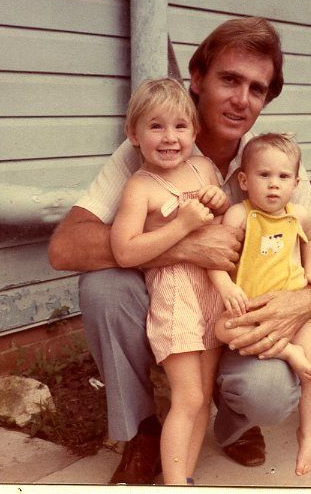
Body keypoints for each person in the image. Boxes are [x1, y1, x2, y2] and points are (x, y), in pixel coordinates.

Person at [48, 17, 311, 484]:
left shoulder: (274, 164)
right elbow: (66, 246)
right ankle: (141, 431)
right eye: (229, 79)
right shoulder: (152, 150)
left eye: (256, 89)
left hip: (235, 309)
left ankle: (237, 426)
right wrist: (187, 244)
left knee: (270, 393)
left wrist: (307, 299)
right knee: (104, 288)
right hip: (174, 301)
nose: (241, 99)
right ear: (197, 78)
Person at [109, 78, 230, 485]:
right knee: (188, 396)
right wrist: (181, 225)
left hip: (212, 290)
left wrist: (218, 200)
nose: (169, 137)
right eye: (156, 126)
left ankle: (186, 477)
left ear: (194, 132)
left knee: (205, 397)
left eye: (180, 126)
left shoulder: (203, 167)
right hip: (175, 293)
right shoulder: (138, 187)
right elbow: (125, 251)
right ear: (134, 134)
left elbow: (221, 212)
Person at [208, 133, 311, 476]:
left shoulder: (298, 215)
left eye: (283, 177)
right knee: (221, 328)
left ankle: (307, 440)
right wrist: (225, 284)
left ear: (296, 182)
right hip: (249, 308)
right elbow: (215, 259)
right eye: (264, 175)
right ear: (244, 180)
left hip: (292, 311)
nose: (274, 186)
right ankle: (285, 352)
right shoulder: (238, 215)